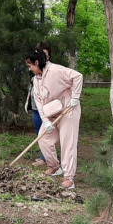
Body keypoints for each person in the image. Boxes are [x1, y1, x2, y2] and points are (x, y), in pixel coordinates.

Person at [25, 50, 84, 189]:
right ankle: (54, 167)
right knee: (43, 138)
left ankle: (69, 177)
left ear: (37, 62)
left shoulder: (56, 70)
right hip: (51, 113)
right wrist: (45, 120)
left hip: (68, 110)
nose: (29, 69)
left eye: (30, 65)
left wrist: (75, 97)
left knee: (67, 143)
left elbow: (78, 76)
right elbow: (39, 102)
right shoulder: (36, 80)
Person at [25, 41, 53, 166]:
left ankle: (46, 158)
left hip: (47, 106)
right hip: (36, 106)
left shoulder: (51, 70)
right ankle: (44, 156)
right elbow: (31, 87)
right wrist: (27, 101)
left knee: (46, 132)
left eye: (46, 54)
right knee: (38, 131)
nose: (44, 57)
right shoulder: (33, 70)